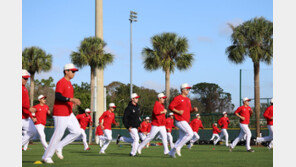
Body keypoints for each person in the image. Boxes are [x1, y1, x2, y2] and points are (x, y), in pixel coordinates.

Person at [42, 63, 82, 164]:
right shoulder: (61, 82)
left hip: (68, 113)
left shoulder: (69, 83)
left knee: (77, 131)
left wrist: (72, 102)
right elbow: (58, 96)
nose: (74, 73)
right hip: (60, 113)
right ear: (66, 71)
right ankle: (46, 156)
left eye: (75, 71)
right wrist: (71, 99)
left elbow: (67, 99)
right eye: (72, 71)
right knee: (58, 134)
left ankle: (59, 146)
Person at [168, 83, 198, 158]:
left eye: (189, 89)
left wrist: (193, 110)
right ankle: (178, 147)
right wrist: (178, 112)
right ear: (182, 90)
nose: (188, 90)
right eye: (187, 89)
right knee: (190, 134)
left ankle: (171, 152)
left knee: (181, 138)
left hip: (185, 120)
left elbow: (188, 111)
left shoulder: (188, 99)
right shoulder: (178, 98)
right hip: (180, 120)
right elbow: (170, 107)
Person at [22, 69, 38, 151]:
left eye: (27, 78)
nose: (26, 80)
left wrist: (32, 116)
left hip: (25, 116)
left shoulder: (24, 88)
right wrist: (28, 108)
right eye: (24, 78)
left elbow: (26, 105)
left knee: (33, 131)